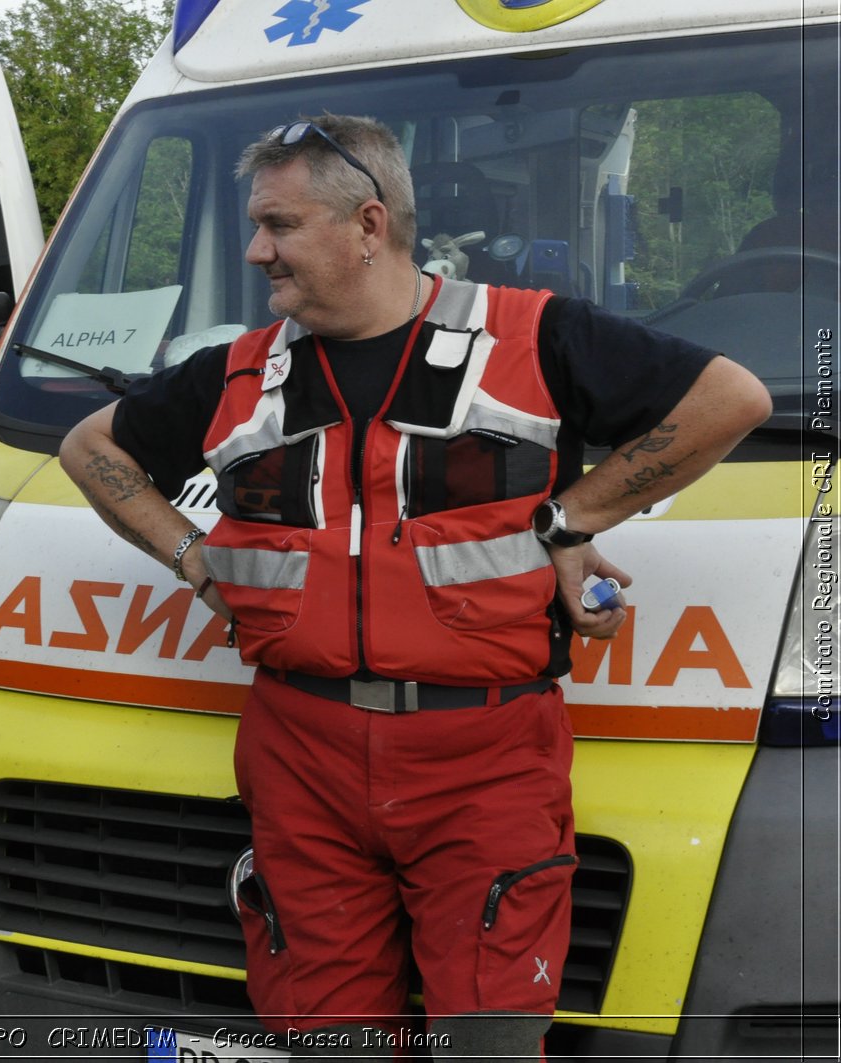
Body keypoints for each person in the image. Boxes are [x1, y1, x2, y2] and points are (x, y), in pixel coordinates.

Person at [59, 114, 771, 1059]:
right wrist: (191, 556)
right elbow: (88, 445)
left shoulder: (530, 333)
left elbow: (732, 400)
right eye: (256, 224)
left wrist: (573, 519)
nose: (255, 248)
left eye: (279, 223)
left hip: (482, 754)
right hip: (298, 750)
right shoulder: (236, 369)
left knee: (490, 1037)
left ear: (367, 224)